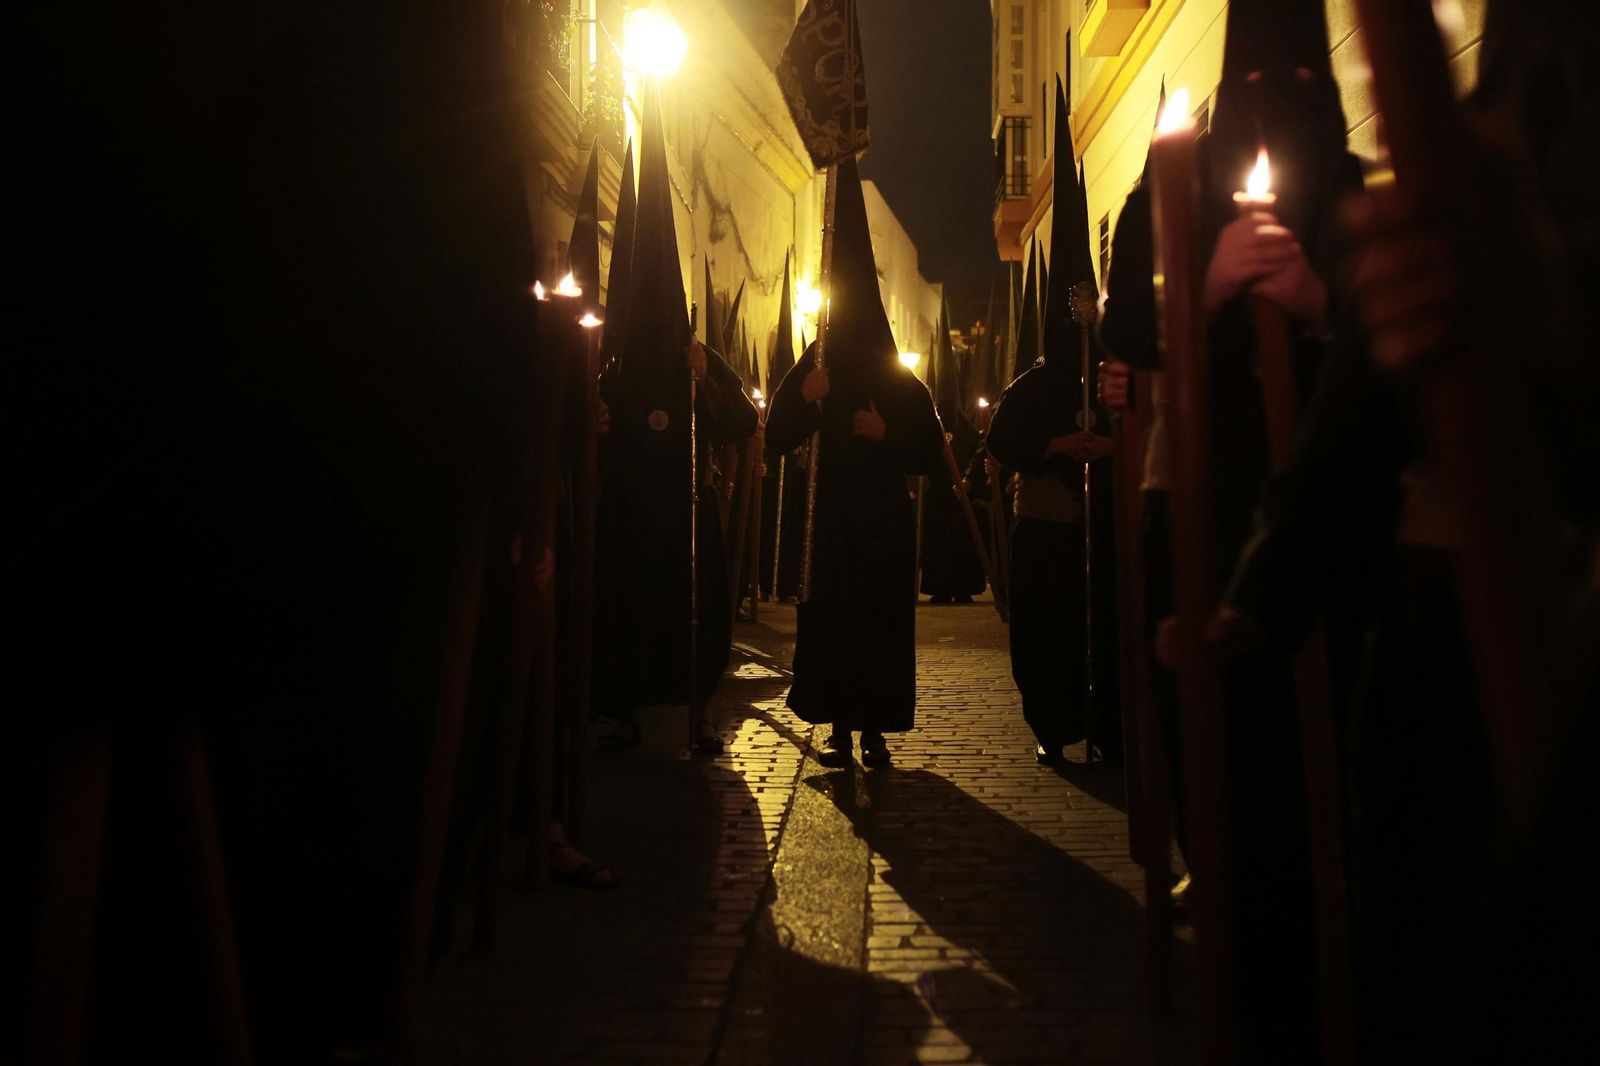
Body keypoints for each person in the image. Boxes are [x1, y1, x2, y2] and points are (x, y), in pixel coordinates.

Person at [1097, 0, 1365, 1056]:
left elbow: (1389, 341)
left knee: (1326, 776)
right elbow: (1127, 330)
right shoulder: (1168, 180)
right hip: (1197, 498)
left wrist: (1316, 298)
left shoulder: (1345, 187)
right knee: (1225, 766)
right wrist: (1203, 287)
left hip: (1326, 509)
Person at [592, 81, 758, 749]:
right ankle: (621, 711)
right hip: (630, 516)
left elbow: (741, 425)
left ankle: (696, 709)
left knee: (698, 618)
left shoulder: (698, 357)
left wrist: (704, 381)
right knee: (624, 613)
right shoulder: (612, 363)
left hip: (690, 512)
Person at [765, 156, 945, 769]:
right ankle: (840, 729)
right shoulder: (817, 363)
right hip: (831, 529)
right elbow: (776, 433)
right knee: (838, 632)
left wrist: (885, 431)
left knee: (878, 634)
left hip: (883, 531)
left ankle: (874, 732)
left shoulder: (897, 379)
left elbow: (930, 449)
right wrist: (806, 399)